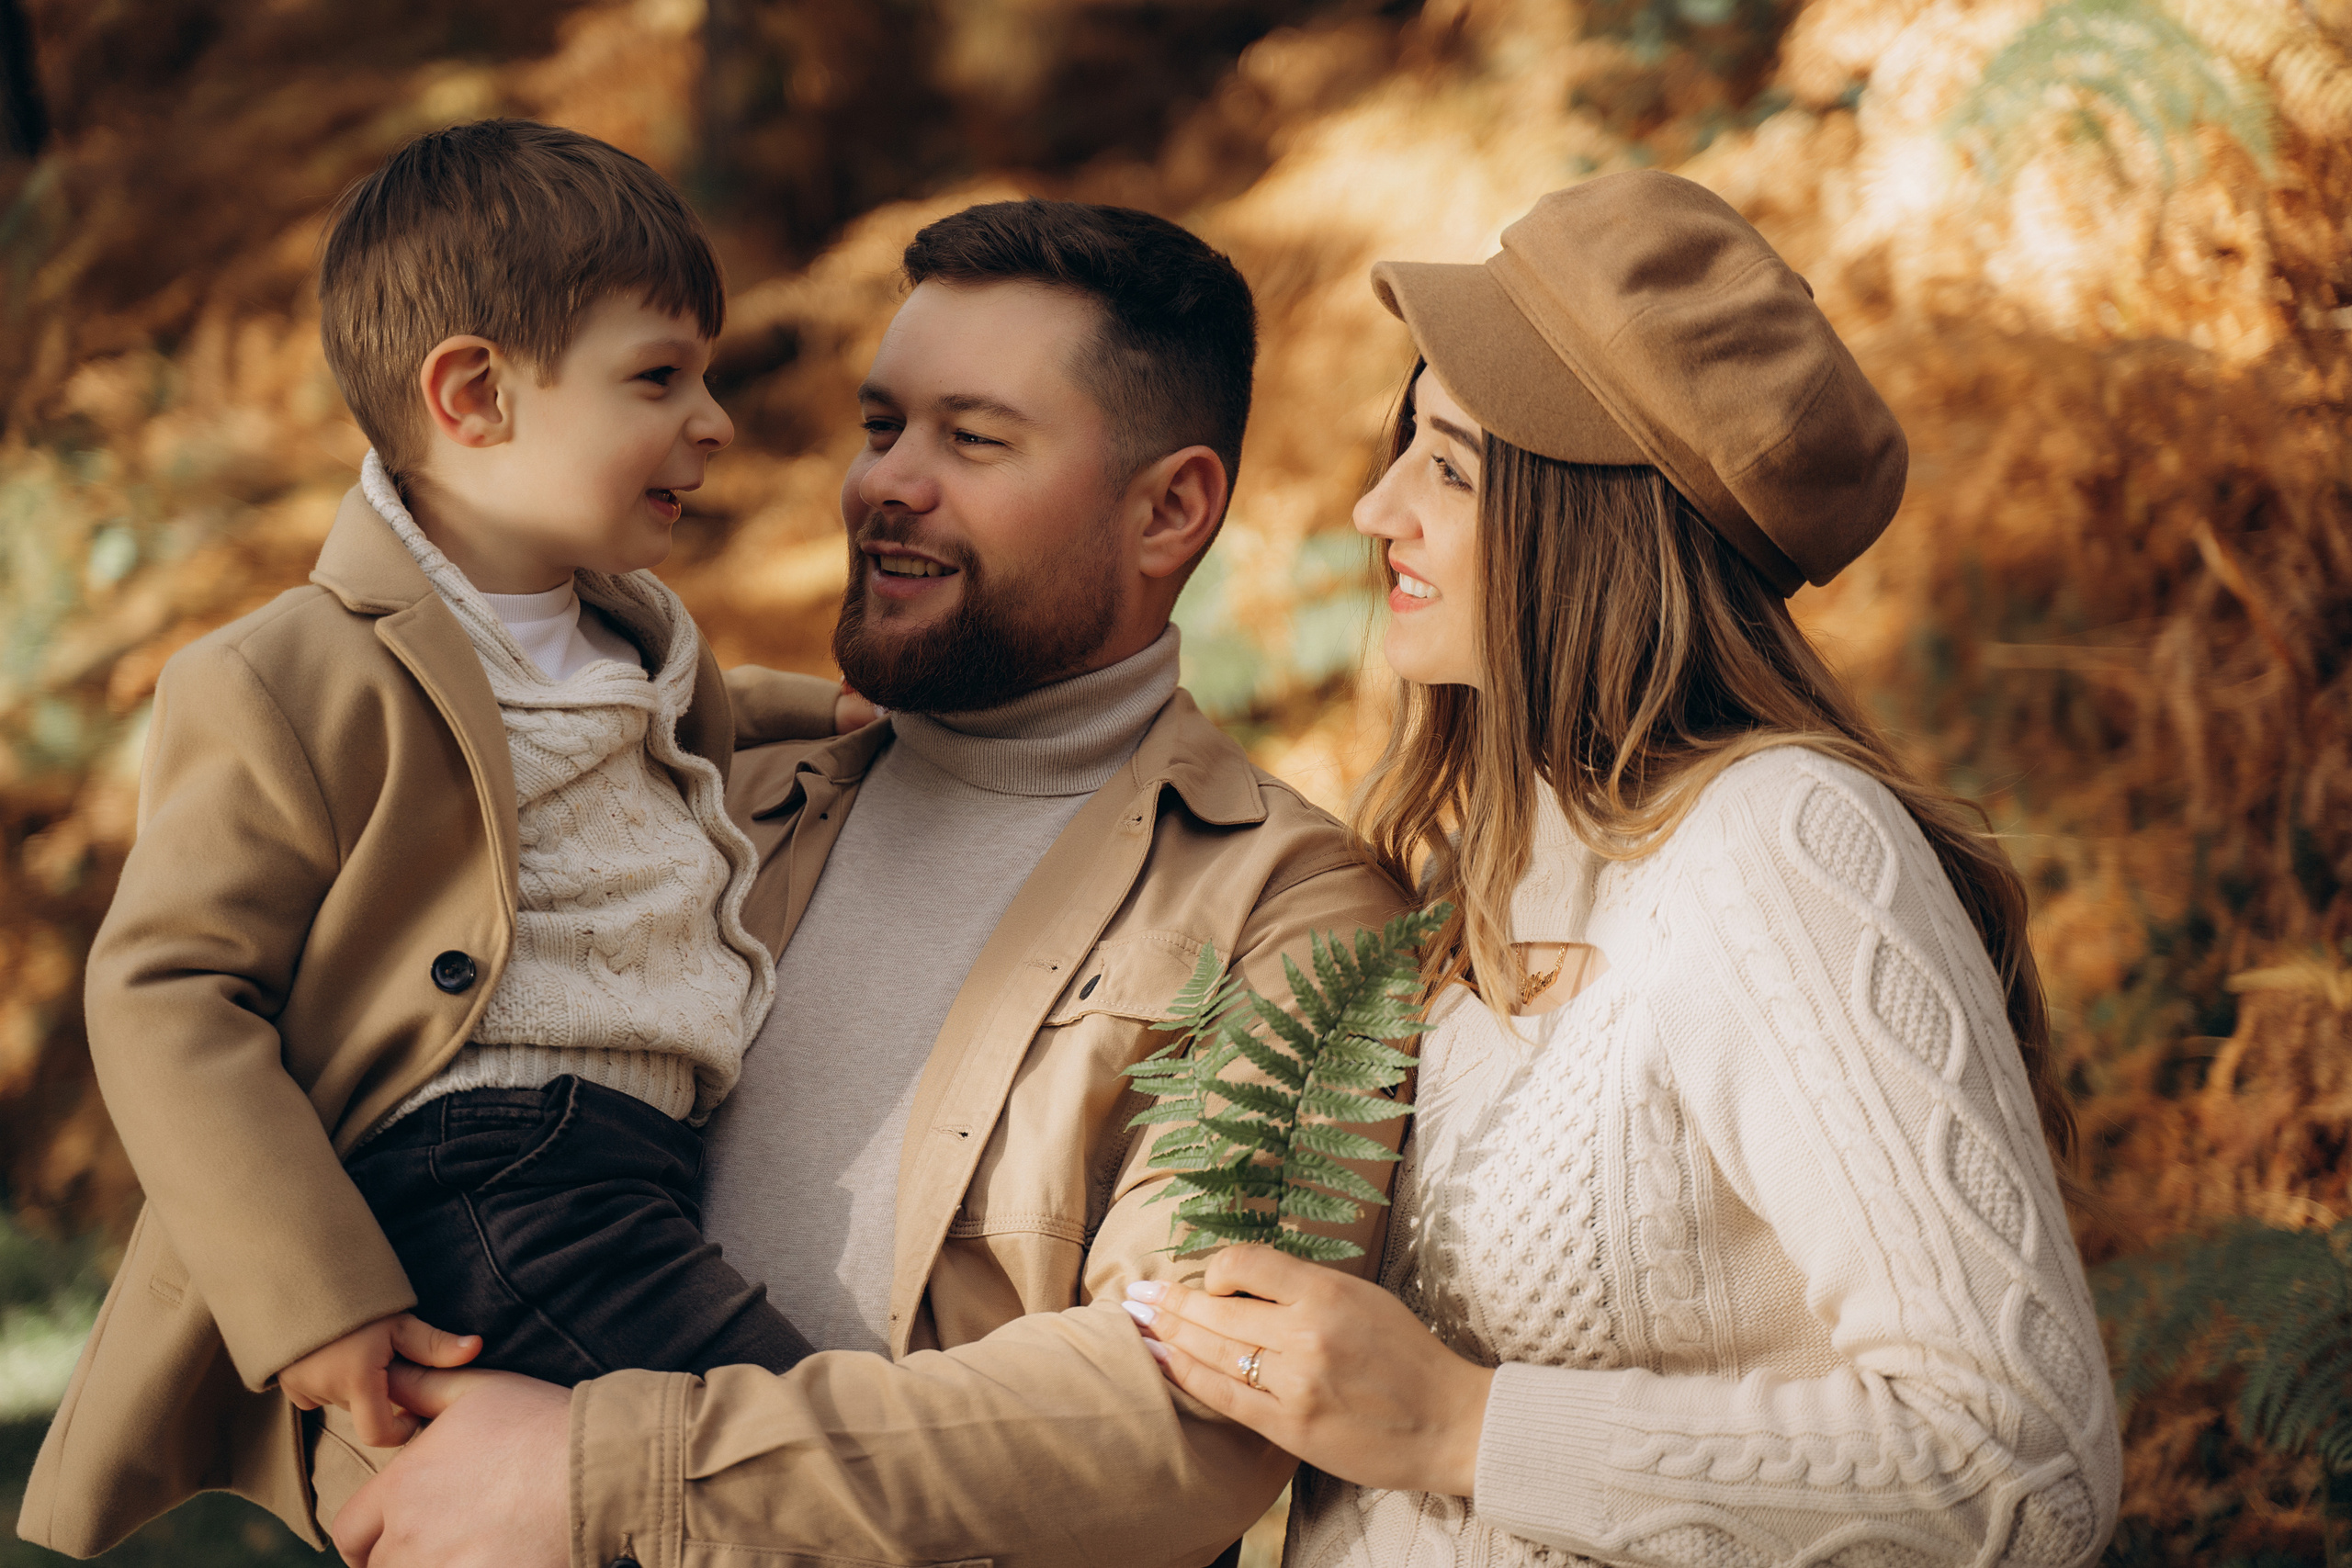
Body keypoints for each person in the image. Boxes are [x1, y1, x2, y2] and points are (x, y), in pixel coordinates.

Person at [322, 198, 1410, 1568]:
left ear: (1170, 509)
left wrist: (612, 1475)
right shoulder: (699, 807)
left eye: (972, 438)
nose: (884, 483)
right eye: (884, 425)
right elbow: (423, 1159)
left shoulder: (1292, 917)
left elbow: (1188, 1417)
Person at [1122, 171, 2124, 1567]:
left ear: (1598, 530)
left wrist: (1462, 1428)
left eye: (1450, 468)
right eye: (1404, 443)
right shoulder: (1496, 869)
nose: (1375, 508)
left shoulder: (1782, 846)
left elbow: (2019, 1463)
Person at [16, 120, 859, 1560]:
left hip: (624, 1175)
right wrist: (317, 1294)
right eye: (660, 377)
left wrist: (855, 716)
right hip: (494, 1179)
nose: (713, 420)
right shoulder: (289, 676)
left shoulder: (626, 637)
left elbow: (677, 725)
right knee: (836, 1471)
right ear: (473, 395)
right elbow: (166, 993)